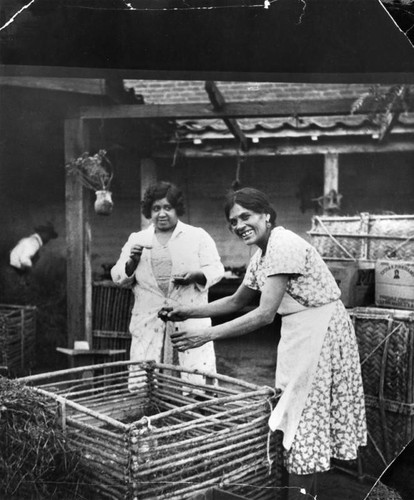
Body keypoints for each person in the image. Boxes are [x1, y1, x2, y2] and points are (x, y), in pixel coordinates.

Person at [159, 187, 367, 499]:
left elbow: (264, 314)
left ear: (266, 215)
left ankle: (304, 493)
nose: (239, 225)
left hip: (323, 331)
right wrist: (188, 310)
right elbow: (235, 301)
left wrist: (206, 334)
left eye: (246, 216)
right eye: (233, 221)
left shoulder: (283, 244)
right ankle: (300, 490)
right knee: (295, 412)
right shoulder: (261, 255)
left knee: (305, 415)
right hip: (299, 332)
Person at [111, 181, 224, 386]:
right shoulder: (137, 239)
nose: (162, 214)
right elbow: (118, 277)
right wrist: (131, 262)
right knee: (147, 377)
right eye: (156, 208)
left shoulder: (197, 236)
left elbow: (216, 269)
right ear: (149, 211)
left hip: (188, 315)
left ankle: (193, 407)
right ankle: (151, 410)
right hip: (149, 318)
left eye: (167, 207)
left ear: (176, 209)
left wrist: (196, 275)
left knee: (193, 376)